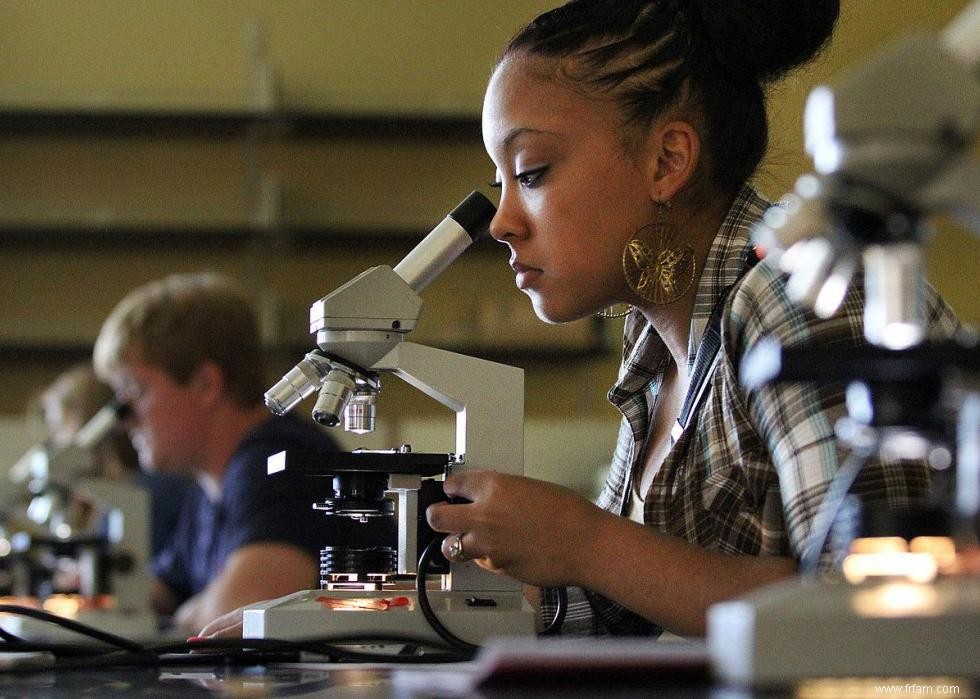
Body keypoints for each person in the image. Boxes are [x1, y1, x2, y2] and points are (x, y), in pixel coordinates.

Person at [199, 0, 959, 640]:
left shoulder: (803, 296)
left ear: (667, 160)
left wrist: (588, 541)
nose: (501, 222)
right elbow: (625, 605)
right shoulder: (656, 347)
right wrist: (354, 619)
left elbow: (878, 613)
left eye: (531, 172)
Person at [92, 271, 385, 634]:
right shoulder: (209, 488)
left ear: (205, 385)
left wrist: (184, 614)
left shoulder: (276, 461)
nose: (126, 420)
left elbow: (240, 614)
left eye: (135, 392)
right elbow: (156, 592)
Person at [32, 363, 193, 557]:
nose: (56, 442)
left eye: (59, 428)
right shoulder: (114, 499)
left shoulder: (147, 494)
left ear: (89, 427)